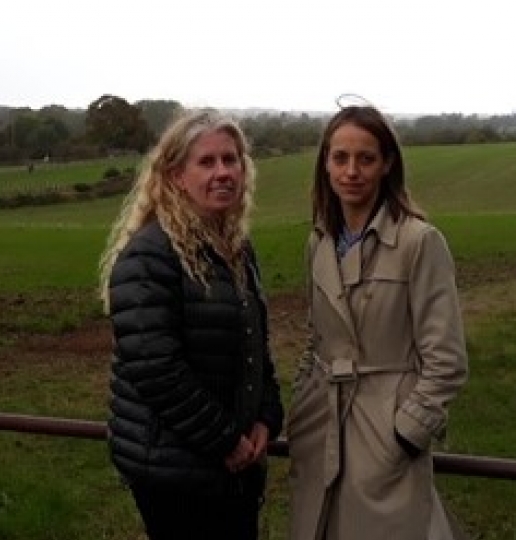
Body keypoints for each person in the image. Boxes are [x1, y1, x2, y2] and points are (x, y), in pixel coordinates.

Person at [98, 108, 284, 540]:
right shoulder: (151, 255)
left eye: (231, 159)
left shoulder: (236, 249)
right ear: (177, 175)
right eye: (207, 162)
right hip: (174, 472)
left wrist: (266, 419)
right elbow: (156, 369)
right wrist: (225, 440)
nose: (223, 172)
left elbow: (254, 346)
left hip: (230, 465)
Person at [287, 103, 470, 540]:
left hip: (386, 431)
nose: (352, 171)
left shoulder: (419, 242)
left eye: (366, 158)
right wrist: (301, 405)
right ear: (326, 166)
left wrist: (408, 433)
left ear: (387, 164)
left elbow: (446, 357)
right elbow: (317, 339)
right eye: (340, 158)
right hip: (322, 425)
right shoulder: (318, 242)